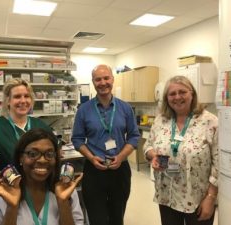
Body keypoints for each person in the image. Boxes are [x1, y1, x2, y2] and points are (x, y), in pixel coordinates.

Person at [143, 75, 218, 225]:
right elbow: (148, 146)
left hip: (197, 199)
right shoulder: (161, 120)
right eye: (172, 94)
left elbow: (219, 164)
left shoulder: (209, 121)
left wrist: (210, 198)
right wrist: (153, 156)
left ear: (192, 94)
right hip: (166, 195)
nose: (177, 97)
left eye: (182, 92)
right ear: (167, 98)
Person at [71, 64, 140, 225]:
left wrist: (121, 157)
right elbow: (77, 139)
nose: (103, 83)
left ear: (112, 79)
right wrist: (91, 157)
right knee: (97, 217)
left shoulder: (125, 108)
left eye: (106, 78)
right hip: (94, 168)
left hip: (120, 169)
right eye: (98, 79)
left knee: (117, 215)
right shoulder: (84, 110)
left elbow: (134, 136)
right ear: (93, 82)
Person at [0, 128, 84, 225]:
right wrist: (12, 208)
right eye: (33, 154)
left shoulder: (65, 190)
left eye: (49, 154)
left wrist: (63, 202)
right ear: (21, 158)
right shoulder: (0, 194)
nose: (42, 160)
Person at [0, 78, 52, 175]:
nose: (23, 100)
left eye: (27, 96)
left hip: (37, 185)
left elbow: (53, 157)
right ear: (8, 101)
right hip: (8, 188)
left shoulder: (41, 125)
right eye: (17, 96)